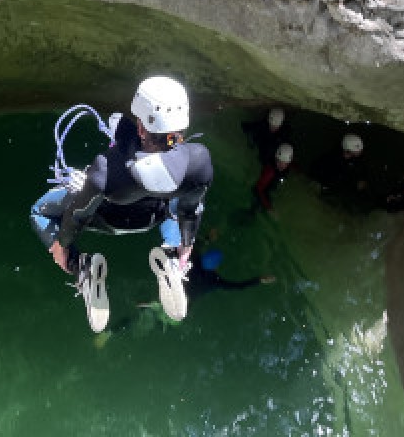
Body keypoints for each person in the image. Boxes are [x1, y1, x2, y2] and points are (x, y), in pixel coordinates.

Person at [29, 76, 214, 332]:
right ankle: (171, 256)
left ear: (140, 127)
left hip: (107, 219)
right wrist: (187, 245)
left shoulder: (104, 170)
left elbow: (77, 216)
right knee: (185, 202)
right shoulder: (199, 161)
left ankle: (80, 268)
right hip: (154, 217)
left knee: (39, 212)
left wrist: (61, 246)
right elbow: (190, 210)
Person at [252, 143, 295, 212]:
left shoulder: (285, 169)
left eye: (285, 163)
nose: (281, 166)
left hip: (270, 188)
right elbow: (258, 189)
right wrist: (268, 206)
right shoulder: (270, 171)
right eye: (279, 162)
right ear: (276, 158)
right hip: (261, 192)